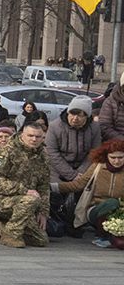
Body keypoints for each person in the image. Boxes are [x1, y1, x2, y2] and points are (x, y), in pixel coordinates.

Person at [0, 121, 52, 248]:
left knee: (41, 240)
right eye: (30, 135)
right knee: (29, 200)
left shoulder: (43, 156)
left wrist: (43, 211)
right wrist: (24, 190)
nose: (34, 139)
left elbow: (44, 186)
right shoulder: (6, 152)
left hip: (24, 202)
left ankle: (1, 224)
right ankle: (10, 234)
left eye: (38, 137)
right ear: (22, 135)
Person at [46, 97, 102, 234]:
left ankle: (78, 223)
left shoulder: (94, 128)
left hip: (83, 167)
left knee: (85, 190)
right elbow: (52, 153)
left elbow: (94, 152)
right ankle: (57, 220)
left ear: (87, 116)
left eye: (80, 115)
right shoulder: (55, 126)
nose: (75, 118)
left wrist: (81, 173)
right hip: (58, 168)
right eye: (72, 113)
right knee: (55, 190)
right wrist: (71, 174)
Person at [59, 139, 124, 236]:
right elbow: (78, 184)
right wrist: (53, 187)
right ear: (106, 156)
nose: (117, 161)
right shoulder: (97, 167)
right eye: (113, 157)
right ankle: (103, 234)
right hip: (95, 209)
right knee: (112, 203)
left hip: (120, 212)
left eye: (120, 157)